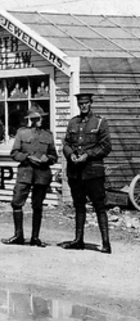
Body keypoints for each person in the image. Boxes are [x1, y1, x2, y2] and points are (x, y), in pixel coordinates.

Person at [60, 92, 112, 254]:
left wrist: (87, 155)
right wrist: (71, 155)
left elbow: (106, 147)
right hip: (76, 172)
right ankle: (78, 240)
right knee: (79, 205)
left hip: (93, 172)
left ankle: (105, 243)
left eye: (86, 103)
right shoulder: (73, 122)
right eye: (80, 104)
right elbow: (66, 143)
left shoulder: (100, 122)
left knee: (99, 206)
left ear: (91, 103)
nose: (83, 106)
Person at [3, 106, 58, 247]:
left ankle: (35, 238)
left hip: (41, 174)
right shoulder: (22, 133)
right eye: (37, 118)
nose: (40, 120)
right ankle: (18, 235)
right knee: (16, 202)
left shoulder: (48, 135)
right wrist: (27, 157)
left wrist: (48, 158)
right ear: (31, 120)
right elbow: (14, 153)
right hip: (25, 173)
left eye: (41, 118)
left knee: (37, 206)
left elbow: (54, 156)